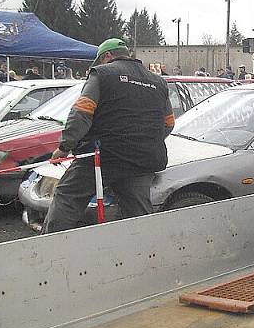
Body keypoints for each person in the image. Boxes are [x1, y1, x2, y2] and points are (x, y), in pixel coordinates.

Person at [42, 38, 174, 234]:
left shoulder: (102, 74)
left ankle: (50, 246)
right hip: (143, 160)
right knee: (138, 213)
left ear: (107, 56)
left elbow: (81, 113)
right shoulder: (158, 82)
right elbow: (169, 124)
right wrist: (144, 141)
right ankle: (144, 252)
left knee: (68, 196)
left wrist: (64, 146)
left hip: (103, 156)